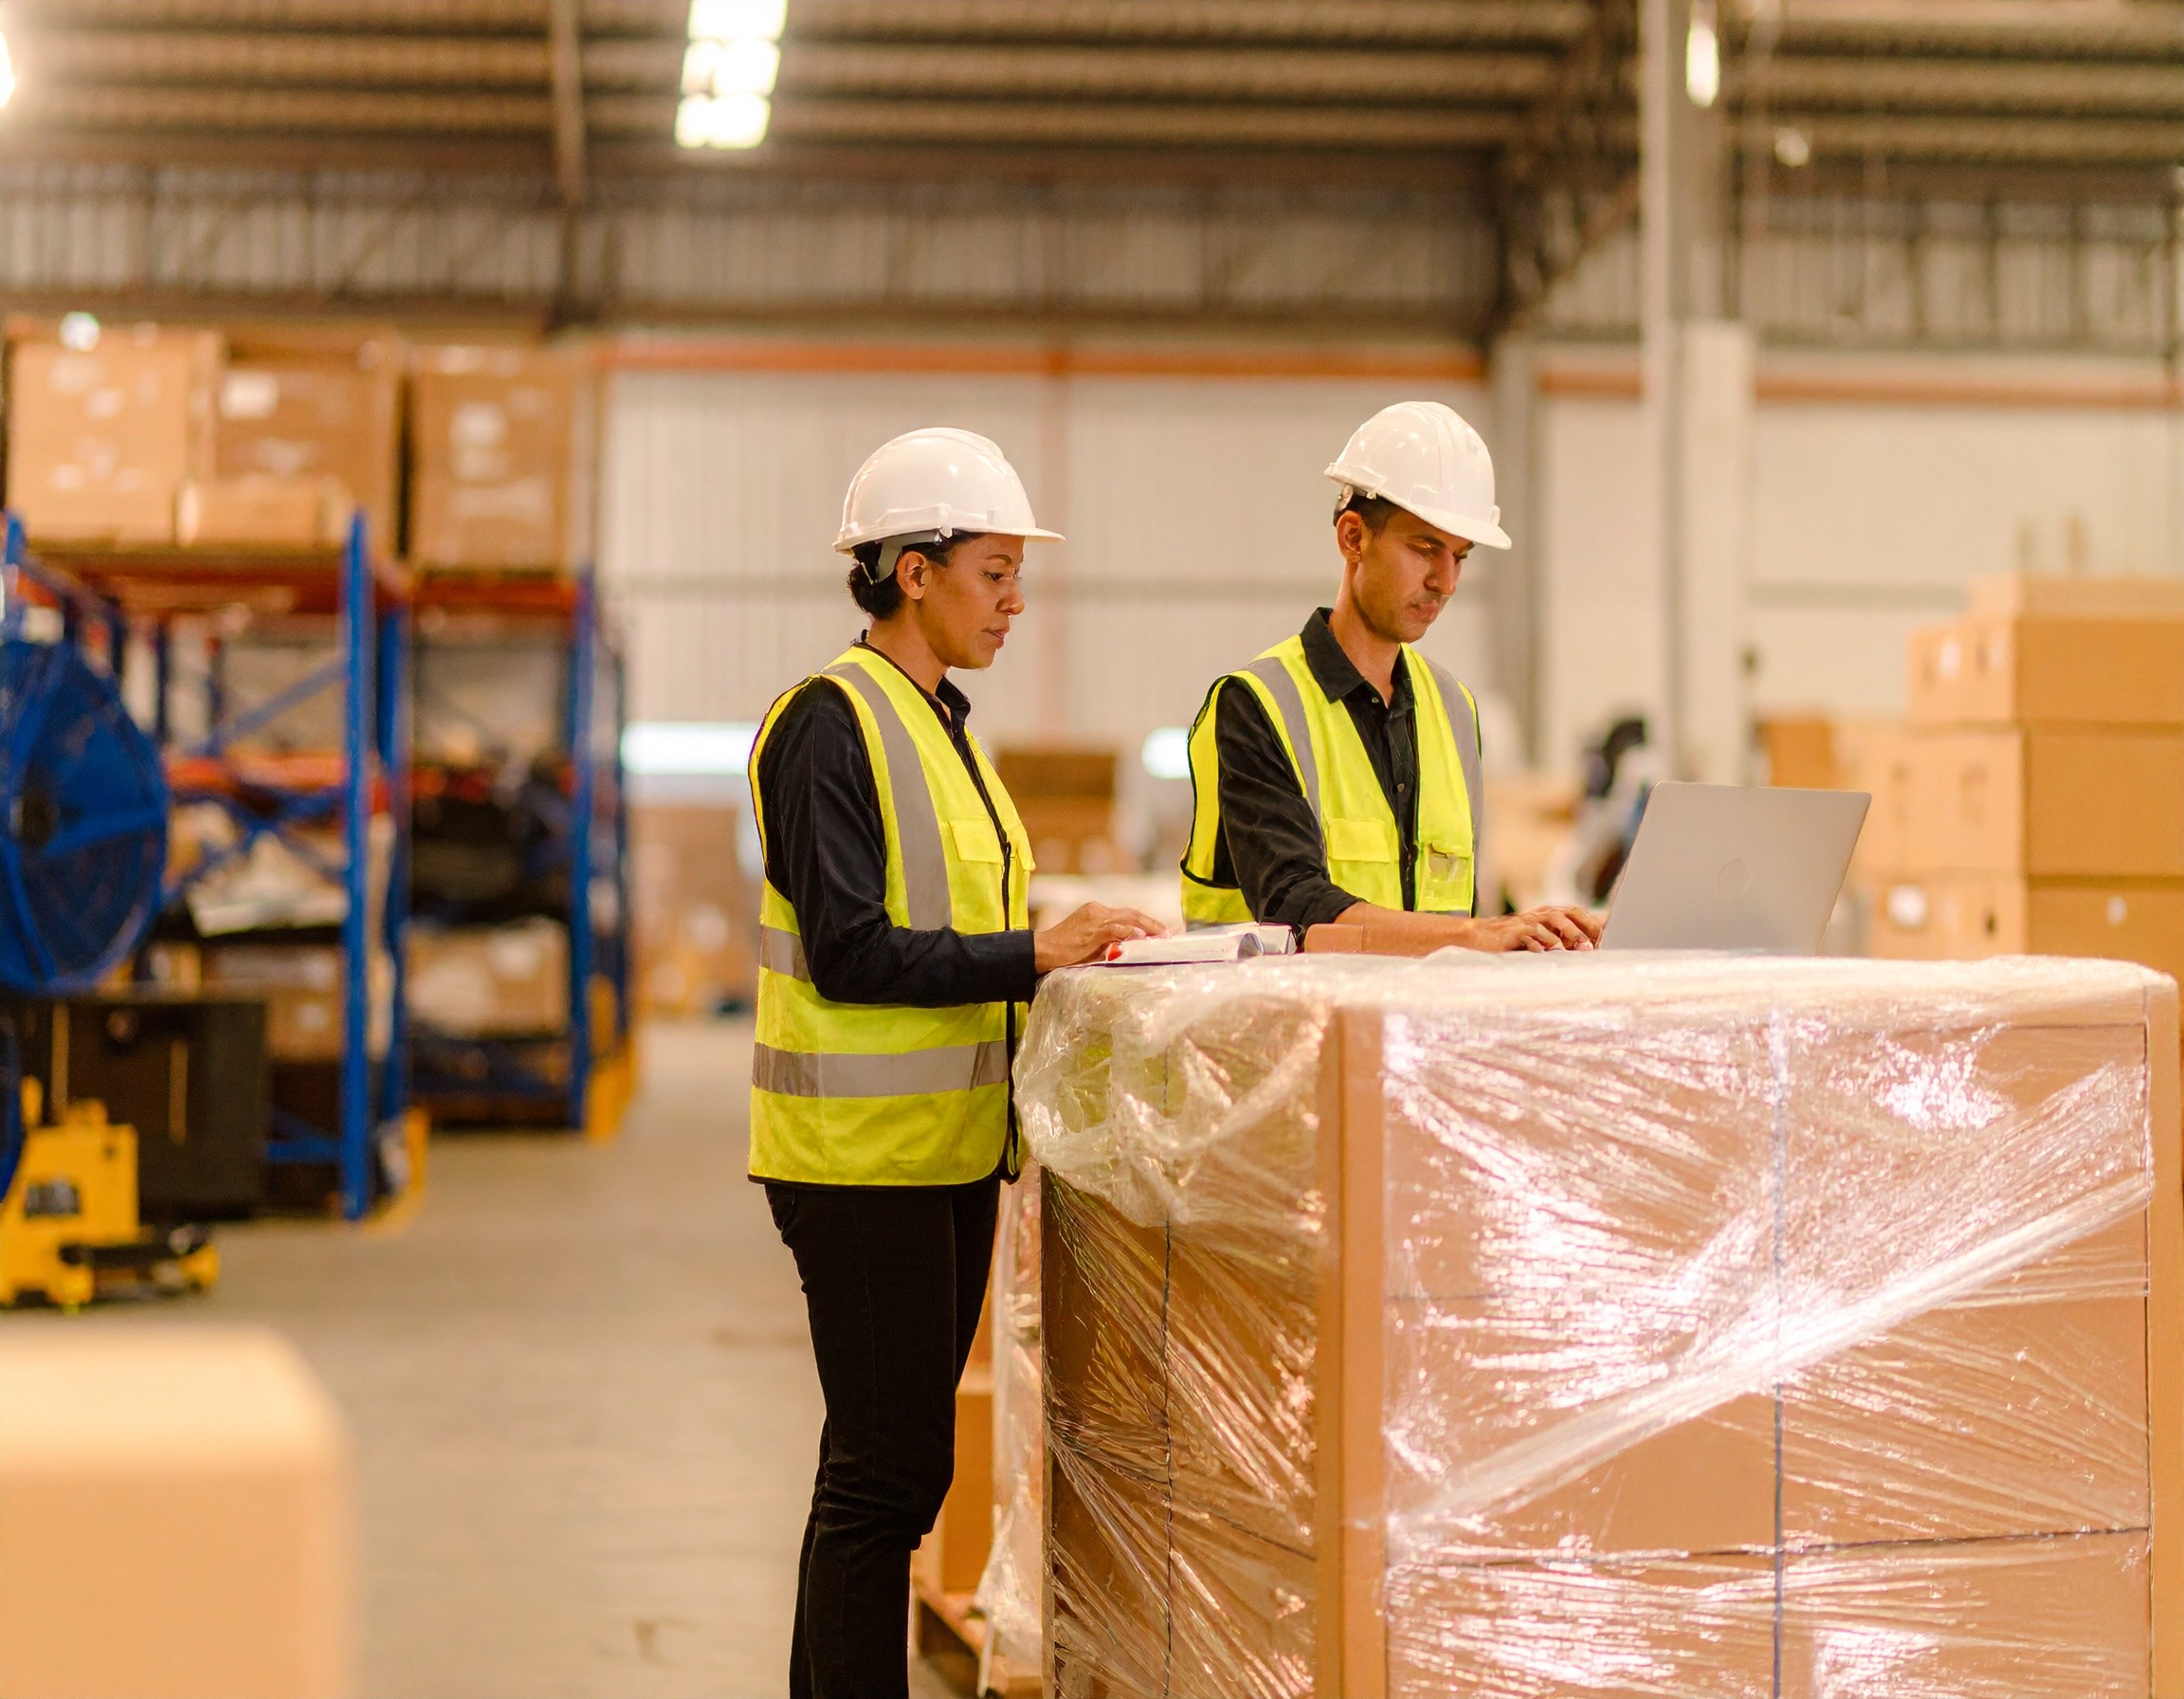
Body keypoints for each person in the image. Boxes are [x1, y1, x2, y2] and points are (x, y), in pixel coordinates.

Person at [748, 427, 1163, 1699]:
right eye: (994, 572)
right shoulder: (829, 726)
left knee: (907, 1467)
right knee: (878, 1474)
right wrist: (1034, 956)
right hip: (856, 1163)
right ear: (912, 571)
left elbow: (966, 933)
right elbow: (852, 953)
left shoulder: (947, 730)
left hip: (942, 1157)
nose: (1016, 601)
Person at [1180, 400, 1601, 952]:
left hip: (1420, 1031)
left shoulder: (1456, 709)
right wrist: (1480, 935)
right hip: (1283, 1033)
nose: (1445, 582)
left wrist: (1543, 931)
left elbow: (1461, 906)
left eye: (1460, 556)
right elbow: (1295, 908)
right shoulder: (1258, 705)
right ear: (1353, 538)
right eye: (1425, 548)